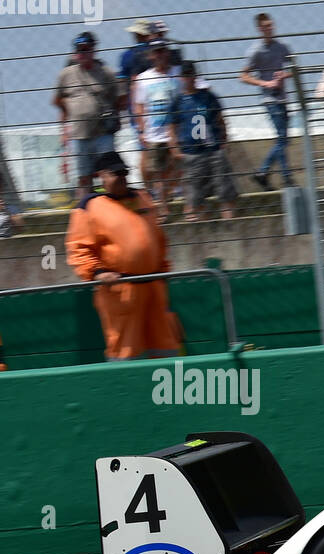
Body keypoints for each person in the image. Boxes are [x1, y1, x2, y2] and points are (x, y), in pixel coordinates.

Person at [65, 150, 180, 360]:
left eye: (125, 173)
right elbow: (78, 247)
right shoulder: (89, 207)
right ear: (101, 176)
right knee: (124, 350)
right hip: (121, 291)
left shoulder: (143, 198)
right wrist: (97, 273)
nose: (122, 179)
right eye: (116, 174)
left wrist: (163, 272)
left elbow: (159, 239)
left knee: (165, 347)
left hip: (153, 285)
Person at [53, 31, 121, 195]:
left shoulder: (107, 73)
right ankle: (86, 210)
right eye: (79, 49)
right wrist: (64, 130)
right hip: (80, 135)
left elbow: (118, 99)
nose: (82, 53)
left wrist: (110, 115)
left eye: (85, 49)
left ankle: (111, 206)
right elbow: (58, 101)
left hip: (103, 133)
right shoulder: (66, 75)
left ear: (93, 50)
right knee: (84, 177)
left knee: (108, 173)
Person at [169, 62, 238, 221]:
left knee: (225, 190)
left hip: (213, 149)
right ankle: (200, 224)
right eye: (185, 76)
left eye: (191, 75)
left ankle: (230, 223)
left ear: (195, 76)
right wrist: (174, 148)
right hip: (191, 153)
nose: (189, 79)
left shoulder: (208, 97)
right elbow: (172, 127)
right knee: (195, 194)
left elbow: (220, 119)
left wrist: (224, 141)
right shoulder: (178, 101)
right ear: (181, 78)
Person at [241, 13, 295, 190]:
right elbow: (243, 76)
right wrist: (265, 83)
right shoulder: (255, 51)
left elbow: (294, 67)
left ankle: (264, 174)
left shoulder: (282, 47)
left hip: (283, 98)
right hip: (269, 99)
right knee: (282, 138)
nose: (270, 29)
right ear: (259, 29)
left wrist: (284, 74)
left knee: (283, 139)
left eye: (271, 25)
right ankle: (284, 177)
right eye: (266, 26)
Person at [131, 40, 181, 214]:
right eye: (156, 52)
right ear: (151, 55)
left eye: (163, 51)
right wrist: (141, 130)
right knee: (157, 173)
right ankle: (163, 209)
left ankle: (165, 200)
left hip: (177, 133)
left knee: (177, 170)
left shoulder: (178, 73)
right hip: (155, 134)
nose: (160, 55)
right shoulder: (144, 79)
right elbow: (138, 105)